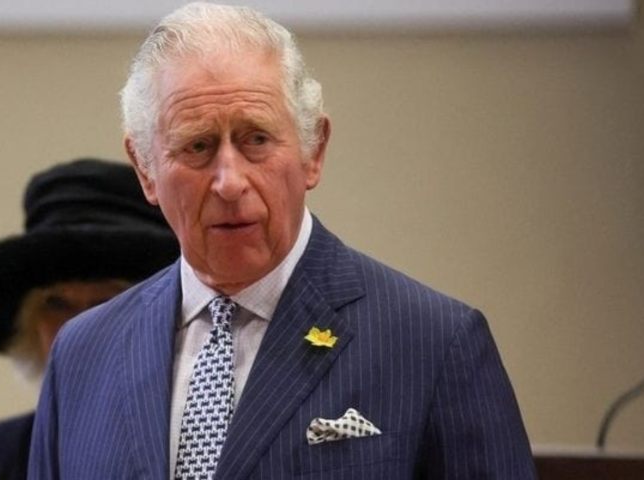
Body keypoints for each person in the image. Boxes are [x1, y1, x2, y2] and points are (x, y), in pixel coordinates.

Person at [29, 4, 537, 479]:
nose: (230, 182)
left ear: (313, 151)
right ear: (145, 169)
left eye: (256, 139)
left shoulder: (434, 343)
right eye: (198, 146)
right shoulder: (83, 353)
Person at [0, 158, 179, 480]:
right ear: (29, 325)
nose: (77, 325)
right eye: (55, 303)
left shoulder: (196, 439)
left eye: (106, 302)